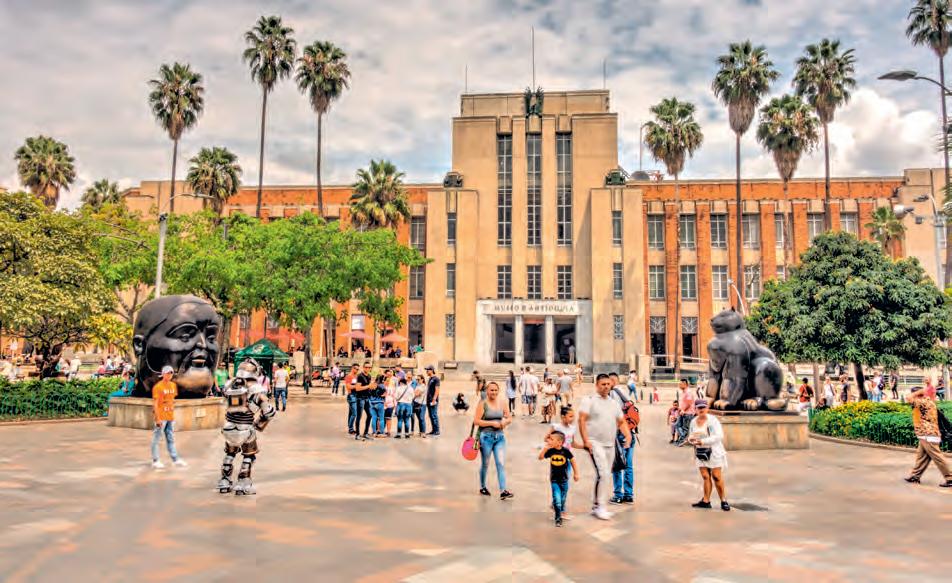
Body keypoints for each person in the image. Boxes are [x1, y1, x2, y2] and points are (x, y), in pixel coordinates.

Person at [218, 359, 276, 495]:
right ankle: (243, 483)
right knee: (249, 456)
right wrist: (259, 423)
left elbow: (224, 401)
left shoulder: (229, 385)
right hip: (246, 428)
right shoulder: (257, 389)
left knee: (229, 454)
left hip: (229, 426)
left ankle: (224, 481)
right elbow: (268, 412)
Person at [578, 373, 630, 521]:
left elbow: (621, 421)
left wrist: (628, 435)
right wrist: (586, 440)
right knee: (604, 474)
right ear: (597, 385)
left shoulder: (613, 403)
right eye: (603, 384)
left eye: (608, 384)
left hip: (610, 444)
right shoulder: (589, 400)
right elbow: (581, 420)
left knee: (603, 474)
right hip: (594, 442)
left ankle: (596, 505)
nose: (606, 387)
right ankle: (601, 506)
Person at [904, 385, 952, 487]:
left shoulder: (922, 401)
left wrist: (916, 393)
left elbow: (908, 398)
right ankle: (915, 476)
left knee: (938, 458)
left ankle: (950, 478)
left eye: (914, 393)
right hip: (926, 435)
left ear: (917, 394)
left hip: (928, 435)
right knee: (921, 457)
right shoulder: (928, 401)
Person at [688, 400, 730, 511]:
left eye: (703, 407)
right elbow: (691, 434)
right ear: (695, 409)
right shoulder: (693, 421)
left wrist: (703, 441)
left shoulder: (713, 420)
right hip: (701, 452)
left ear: (707, 408)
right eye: (699, 407)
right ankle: (706, 501)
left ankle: (723, 500)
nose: (701, 409)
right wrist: (691, 440)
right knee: (705, 477)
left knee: (716, 476)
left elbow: (719, 436)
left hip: (714, 452)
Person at [474, 381, 513, 499]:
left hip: (500, 437)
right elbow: (476, 421)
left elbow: (509, 417)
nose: (494, 392)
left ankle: (503, 491)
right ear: (487, 391)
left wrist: (505, 422)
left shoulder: (502, 402)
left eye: (496, 390)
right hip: (486, 437)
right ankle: (482, 487)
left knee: (500, 463)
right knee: (485, 464)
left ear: (498, 391)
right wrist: (492, 423)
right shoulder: (483, 403)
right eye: (491, 390)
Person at [540, 430, 579, 527]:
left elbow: (573, 461)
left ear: (559, 442)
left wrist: (576, 473)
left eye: (551, 439)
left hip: (564, 480)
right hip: (554, 480)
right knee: (557, 500)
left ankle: (557, 507)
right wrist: (545, 449)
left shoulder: (565, 451)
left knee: (562, 500)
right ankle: (558, 518)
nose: (549, 441)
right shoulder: (551, 451)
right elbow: (540, 457)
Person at [151, 365, 186, 469]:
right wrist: (157, 418)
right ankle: (156, 460)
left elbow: (171, 400)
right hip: (161, 416)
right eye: (167, 373)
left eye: (171, 373)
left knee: (170, 438)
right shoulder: (158, 387)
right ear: (163, 374)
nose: (169, 375)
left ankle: (175, 459)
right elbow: (156, 404)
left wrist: (172, 413)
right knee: (157, 438)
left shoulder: (173, 385)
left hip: (170, 416)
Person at [609, 383, 635, 505]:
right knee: (628, 466)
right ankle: (629, 495)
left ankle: (618, 495)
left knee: (617, 465)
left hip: (619, 433)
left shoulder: (611, 395)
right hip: (631, 432)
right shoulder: (624, 393)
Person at [354, 362, 373, 440]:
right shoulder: (360, 376)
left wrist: (371, 387)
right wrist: (368, 386)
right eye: (366, 367)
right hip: (360, 398)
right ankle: (357, 434)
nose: (368, 369)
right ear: (363, 367)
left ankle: (365, 433)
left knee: (370, 415)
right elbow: (357, 388)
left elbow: (368, 387)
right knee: (359, 416)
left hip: (367, 398)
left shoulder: (369, 376)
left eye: (369, 367)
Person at [674, 379, 696, 446]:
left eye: (680, 384)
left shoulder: (688, 392)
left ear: (685, 384)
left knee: (685, 428)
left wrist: (683, 410)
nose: (679, 385)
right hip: (683, 412)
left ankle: (682, 440)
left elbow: (689, 403)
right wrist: (680, 410)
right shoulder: (683, 392)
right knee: (677, 425)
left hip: (688, 413)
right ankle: (682, 439)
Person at [425, 366, 441, 437]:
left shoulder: (436, 379)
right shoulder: (430, 379)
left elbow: (437, 390)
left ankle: (437, 431)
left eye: (428, 370)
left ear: (432, 370)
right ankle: (433, 430)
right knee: (431, 415)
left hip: (433, 400)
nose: (427, 371)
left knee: (434, 415)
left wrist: (434, 399)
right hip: (428, 400)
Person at [344, 364, 359, 435]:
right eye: (356, 369)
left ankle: (350, 428)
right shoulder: (349, 376)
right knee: (354, 413)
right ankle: (350, 429)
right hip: (351, 396)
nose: (357, 370)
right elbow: (348, 386)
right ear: (352, 368)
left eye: (358, 369)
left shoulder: (357, 376)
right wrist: (356, 386)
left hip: (357, 395)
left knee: (351, 413)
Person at [384, 370, 397, 436]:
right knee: (382, 418)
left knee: (388, 418)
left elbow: (394, 397)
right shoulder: (382, 388)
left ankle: (388, 431)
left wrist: (395, 405)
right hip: (383, 404)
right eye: (387, 380)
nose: (388, 382)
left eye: (389, 381)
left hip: (390, 404)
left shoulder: (392, 388)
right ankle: (381, 430)